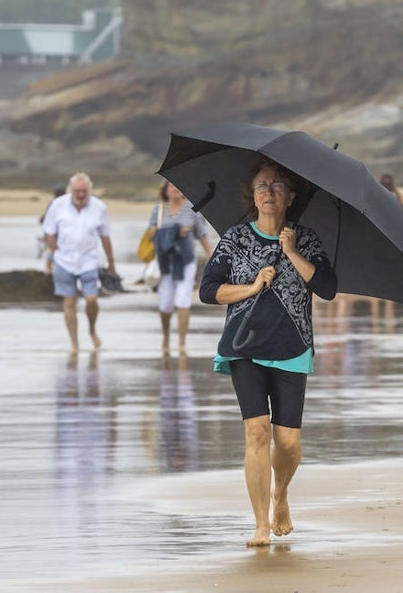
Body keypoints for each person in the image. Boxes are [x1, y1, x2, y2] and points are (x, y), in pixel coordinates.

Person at [199, 158, 338, 548]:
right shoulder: (235, 239)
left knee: (288, 443)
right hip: (244, 347)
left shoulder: (306, 240)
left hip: (292, 347)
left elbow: (327, 288)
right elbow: (208, 290)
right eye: (262, 185)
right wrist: (250, 287)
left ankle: (281, 495)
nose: (269, 191)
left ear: (291, 196)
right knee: (257, 432)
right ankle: (261, 524)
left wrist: (292, 253)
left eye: (278, 185)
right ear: (252, 194)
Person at [41, 172, 116, 352]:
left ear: (89, 190)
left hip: (89, 260)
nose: (81, 195)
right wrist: (54, 254)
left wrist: (111, 262)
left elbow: (105, 236)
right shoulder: (58, 206)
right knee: (69, 303)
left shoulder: (99, 207)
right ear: (71, 190)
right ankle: (74, 343)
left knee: (91, 299)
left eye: (84, 191)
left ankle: (91, 329)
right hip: (64, 260)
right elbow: (49, 232)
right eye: (77, 191)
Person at [148, 181, 213, 353]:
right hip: (165, 263)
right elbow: (150, 235)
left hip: (186, 261)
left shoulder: (192, 209)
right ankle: (166, 337)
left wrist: (213, 259)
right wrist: (174, 231)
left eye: (178, 186)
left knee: (183, 300)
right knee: (165, 304)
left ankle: (182, 342)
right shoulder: (159, 209)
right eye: (171, 186)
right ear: (166, 191)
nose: (175, 189)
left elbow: (203, 236)